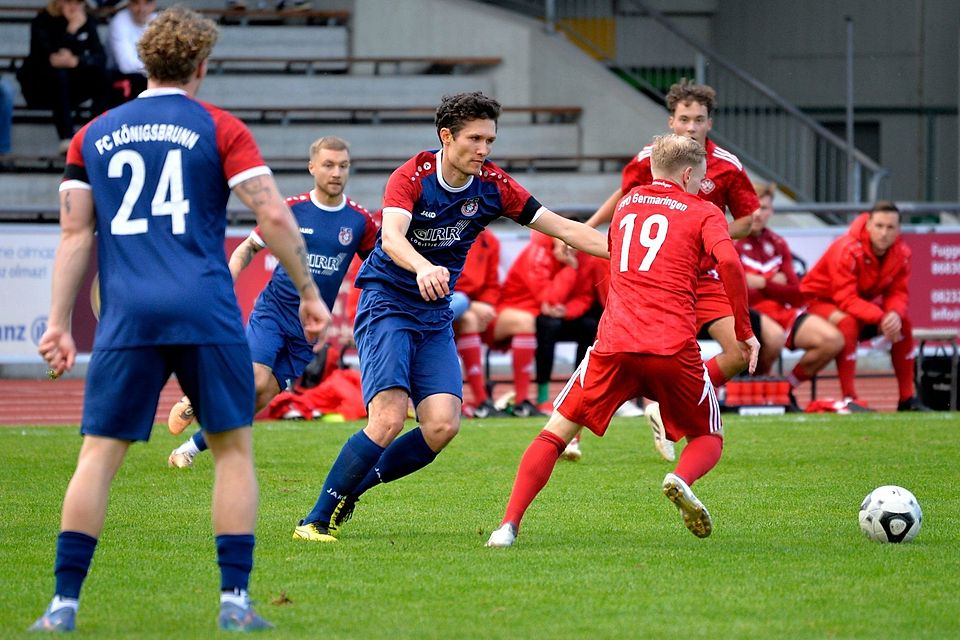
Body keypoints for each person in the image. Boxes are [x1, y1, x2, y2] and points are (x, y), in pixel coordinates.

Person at [30, 7, 329, 632]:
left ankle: (62, 606)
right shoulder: (219, 127)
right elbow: (274, 215)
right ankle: (234, 602)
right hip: (204, 308)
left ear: (145, 61)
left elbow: (74, 234)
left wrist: (57, 321)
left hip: (127, 315)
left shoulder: (93, 134)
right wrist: (307, 290)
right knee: (232, 451)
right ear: (201, 65)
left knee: (97, 457)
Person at [292, 91, 610, 543]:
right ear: (447, 136)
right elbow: (391, 238)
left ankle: (353, 491)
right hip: (387, 303)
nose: (484, 149)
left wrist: (628, 252)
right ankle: (314, 520)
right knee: (388, 419)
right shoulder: (412, 176)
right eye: (475, 139)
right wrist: (423, 266)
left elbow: (564, 228)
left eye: (490, 140)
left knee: (442, 425)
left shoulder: (494, 185)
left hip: (434, 314)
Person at [485, 134, 759, 548]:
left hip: (614, 344)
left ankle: (507, 527)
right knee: (707, 437)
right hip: (672, 347)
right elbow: (730, 264)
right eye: (701, 179)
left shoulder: (628, 205)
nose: (703, 185)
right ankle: (680, 478)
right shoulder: (704, 210)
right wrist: (745, 331)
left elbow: (615, 249)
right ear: (688, 174)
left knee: (554, 434)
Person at [167, 135, 379, 468]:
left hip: (308, 330)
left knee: (257, 399)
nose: (336, 173)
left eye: (343, 166)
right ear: (312, 167)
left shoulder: (359, 220)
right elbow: (247, 248)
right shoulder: (291, 209)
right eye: (328, 165)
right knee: (254, 380)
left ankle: (188, 449)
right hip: (275, 312)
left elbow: (378, 266)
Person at [576, 80, 760, 462]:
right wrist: (590, 225)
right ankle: (570, 433)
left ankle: (667, 407)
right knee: (610, 351)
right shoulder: (652, 157)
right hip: (655, 278)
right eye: (684, 119)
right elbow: (624, 196)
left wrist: (708, 237)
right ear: (671, 121)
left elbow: (748, 219)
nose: (691, 126)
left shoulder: (727, 165)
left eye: (699, 119)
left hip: (703, 276)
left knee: (740, 351)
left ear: (710, 123)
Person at [800, 201, 928, 411]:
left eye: (890, 227)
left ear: (898, 230)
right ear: (868, 225)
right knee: (848, 322)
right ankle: (849, 397)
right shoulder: (847, 248)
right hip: (816, 304)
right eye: (879, 226)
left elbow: (898, 292)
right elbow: (845, 298)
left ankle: (907, 399)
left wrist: (894, 314)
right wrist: (881, 317)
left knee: (902, 323)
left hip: (854, 307)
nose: (884, 233)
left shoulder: (902, 253)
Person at [734, 182, 844, 406]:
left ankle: (785, 388)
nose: (758, 213)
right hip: (748, 314)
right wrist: (773, 283)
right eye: (752, 207)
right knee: (773, 338)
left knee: (832, 340)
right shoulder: (731, 241)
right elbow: (736, 292)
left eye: (764, 208)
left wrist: (761, 283)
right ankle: (755, 392)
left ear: (771, 211)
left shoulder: (777, 242)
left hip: (783, 312)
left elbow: (796, 294)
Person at [491, 231, 604, 417]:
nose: (569, 247)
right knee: (547, 326)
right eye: (564, 242)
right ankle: (540, 398)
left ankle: (578, 393)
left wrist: (567, 311)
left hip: (553, 311)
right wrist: (570, 268)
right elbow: (549, 299)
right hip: (526, 311)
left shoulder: (586, 257)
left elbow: (584, 296)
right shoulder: (538, 253)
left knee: (589, 326)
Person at [17, 0, 111, 154]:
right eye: (68, 1)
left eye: (78, 2)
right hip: (41, 86)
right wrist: (71, 30)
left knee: (103, 75)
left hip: (73, 84)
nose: (73, 6)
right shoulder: (43, 21)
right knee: (59, 74)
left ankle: (94, 133)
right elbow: (53, 58)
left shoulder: (86, 20)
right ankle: (67, 137)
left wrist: (77, 61)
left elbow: (100, 57)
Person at [451, 227, 508, 418]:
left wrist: (487, 305)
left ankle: (527, 400)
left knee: (525, 322)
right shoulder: (446, 230)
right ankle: (478, 399)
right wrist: (470, 303)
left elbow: (492, 282)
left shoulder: (489, 240)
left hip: (475, 305)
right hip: (441, 299)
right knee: (467, 317)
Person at [106, 0, 157, 105]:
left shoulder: (158, 21)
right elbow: (125, 65)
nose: (141, 9)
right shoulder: (119, 21)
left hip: (150, 76)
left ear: (154, 4)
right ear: (128, 4)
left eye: (147, 3)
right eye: (136, 3)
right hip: (120, 79)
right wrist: (157, 69)